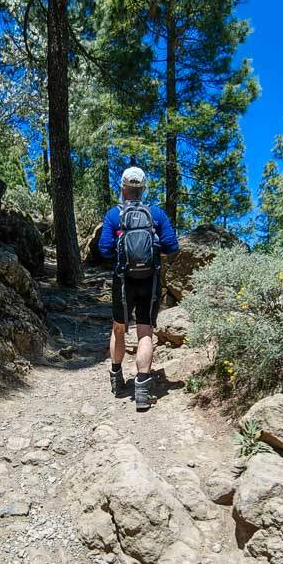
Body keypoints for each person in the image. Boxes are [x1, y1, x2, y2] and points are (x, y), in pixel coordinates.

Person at [98, 166, 179, 410]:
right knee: (145, 332)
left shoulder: (114, 214)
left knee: (119, 328)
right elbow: (172, 246)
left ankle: (116, 379)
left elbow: (103, 249)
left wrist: (123, 257)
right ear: (143, 188)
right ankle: (142, 391)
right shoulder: (156, 214)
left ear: (123, 188)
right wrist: (152, 254)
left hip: (123, 281)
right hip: (149, 280)